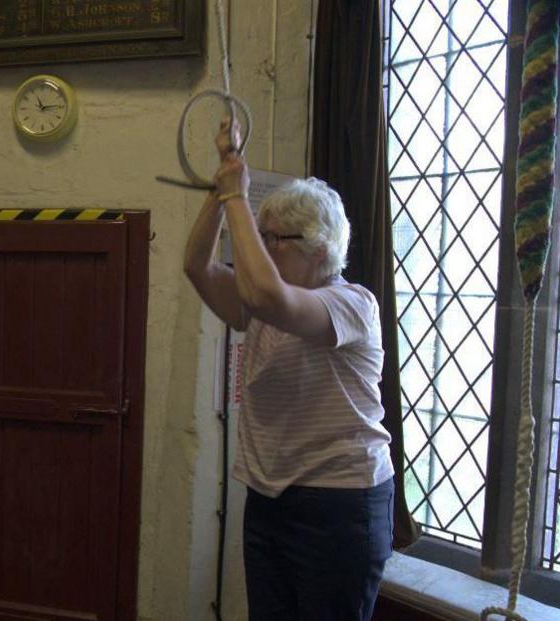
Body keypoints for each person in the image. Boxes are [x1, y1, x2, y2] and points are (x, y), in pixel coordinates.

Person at [184, 119, 394, 620]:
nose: (261, 249)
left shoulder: (351, 304)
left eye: (274, 239)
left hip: (339, 505)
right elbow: (196, 265)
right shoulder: (262, 302)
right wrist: (222, 190)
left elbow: (263, 294)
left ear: (320, 250)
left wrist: (239, 197)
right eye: (262, 235)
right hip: (270, 497)